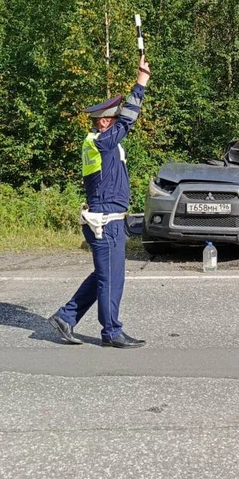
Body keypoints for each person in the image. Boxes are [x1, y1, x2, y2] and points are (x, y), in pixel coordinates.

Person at [48, 61, 151, 349]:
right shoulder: (102, 142)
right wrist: (140, 82)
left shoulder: (100, 141)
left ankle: (66, 317)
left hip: (108, 219)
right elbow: (129, 118)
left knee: (104, 275)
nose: (118, 122)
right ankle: (111, 332)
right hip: (106, 221)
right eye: (113, 119)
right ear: (105, 121)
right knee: (111, 280)